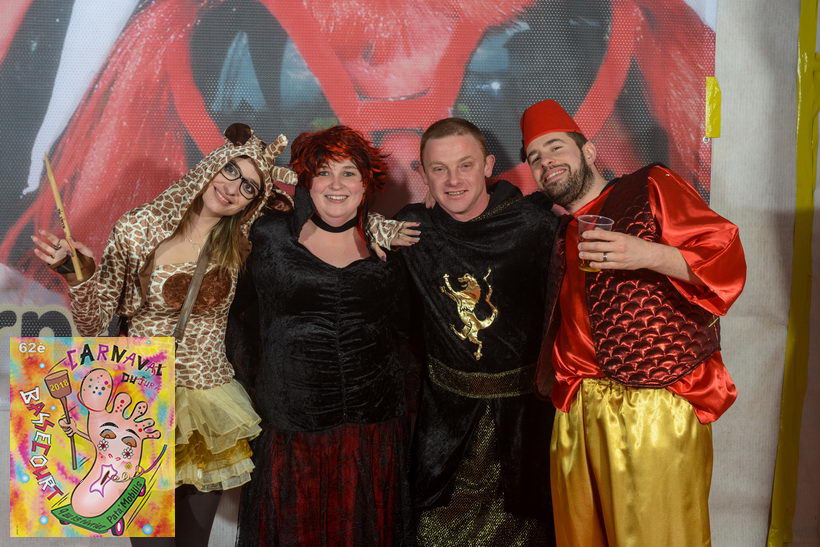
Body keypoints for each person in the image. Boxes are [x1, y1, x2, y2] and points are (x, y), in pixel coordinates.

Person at [32, 122, 296, 546]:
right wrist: (76, 274)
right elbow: (93, 324)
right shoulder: (138, 228)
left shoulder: (244, 243)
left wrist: (375, 228)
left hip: (208, 403)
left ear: (254, 202)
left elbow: (319, 225)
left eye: (249, 187)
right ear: (211, 165)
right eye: (230, 170)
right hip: (141, 401)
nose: (232, 188)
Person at [520, 99, 747, 546]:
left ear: (588, 151)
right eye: (534, 157)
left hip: (652, 405)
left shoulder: (651, 185)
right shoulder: (561, 229)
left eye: (556, 147)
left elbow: (725, 255)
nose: (546, 162)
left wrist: (648, 254)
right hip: (578, 405)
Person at [227, 125, 419, 546]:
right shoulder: (267, 236)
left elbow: (407, 329)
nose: (336, 185)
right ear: (306, 181)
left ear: (365, 184)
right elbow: (234, 314)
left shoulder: (388, 245)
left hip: (371, 429)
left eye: (349, 173)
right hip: (294, 428)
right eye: (324, 172)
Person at [395, 118, 558, 546]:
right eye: (439, 169)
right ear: (423, 173)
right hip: (445, 421)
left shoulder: (532, 226)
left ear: (487, 165)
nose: (453, 181)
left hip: (522, 421)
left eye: (465, 165)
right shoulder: (411, 231)